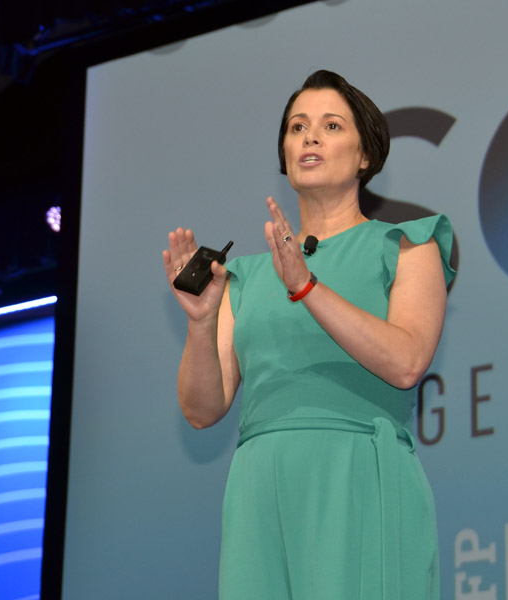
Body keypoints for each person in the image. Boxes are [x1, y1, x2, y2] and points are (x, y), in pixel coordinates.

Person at [163, 70, 455, 600]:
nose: (310, 137)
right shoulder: (245, 276)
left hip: (356, 474)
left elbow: (407, 361)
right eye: (297, 127)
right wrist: (201, 322)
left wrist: (306, 287)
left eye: (331, 125)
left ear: (365, 155)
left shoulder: (409, 246)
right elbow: (201, 411)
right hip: (260, 488)